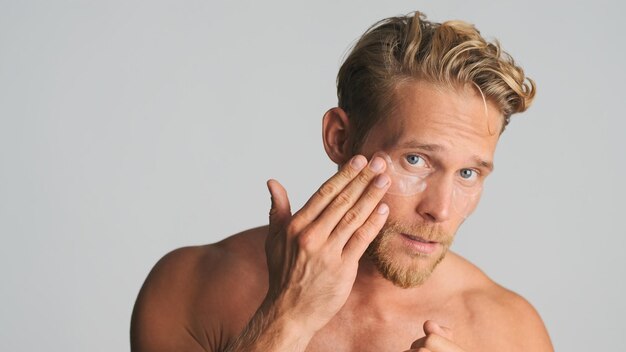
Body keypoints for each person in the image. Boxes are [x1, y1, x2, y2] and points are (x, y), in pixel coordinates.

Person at [130, 11, 553, 352]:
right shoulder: (189, 289)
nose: (440, 209)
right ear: (340, 138)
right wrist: (286, 318)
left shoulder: (511, 333)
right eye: (415, 159)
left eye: (467, 173)